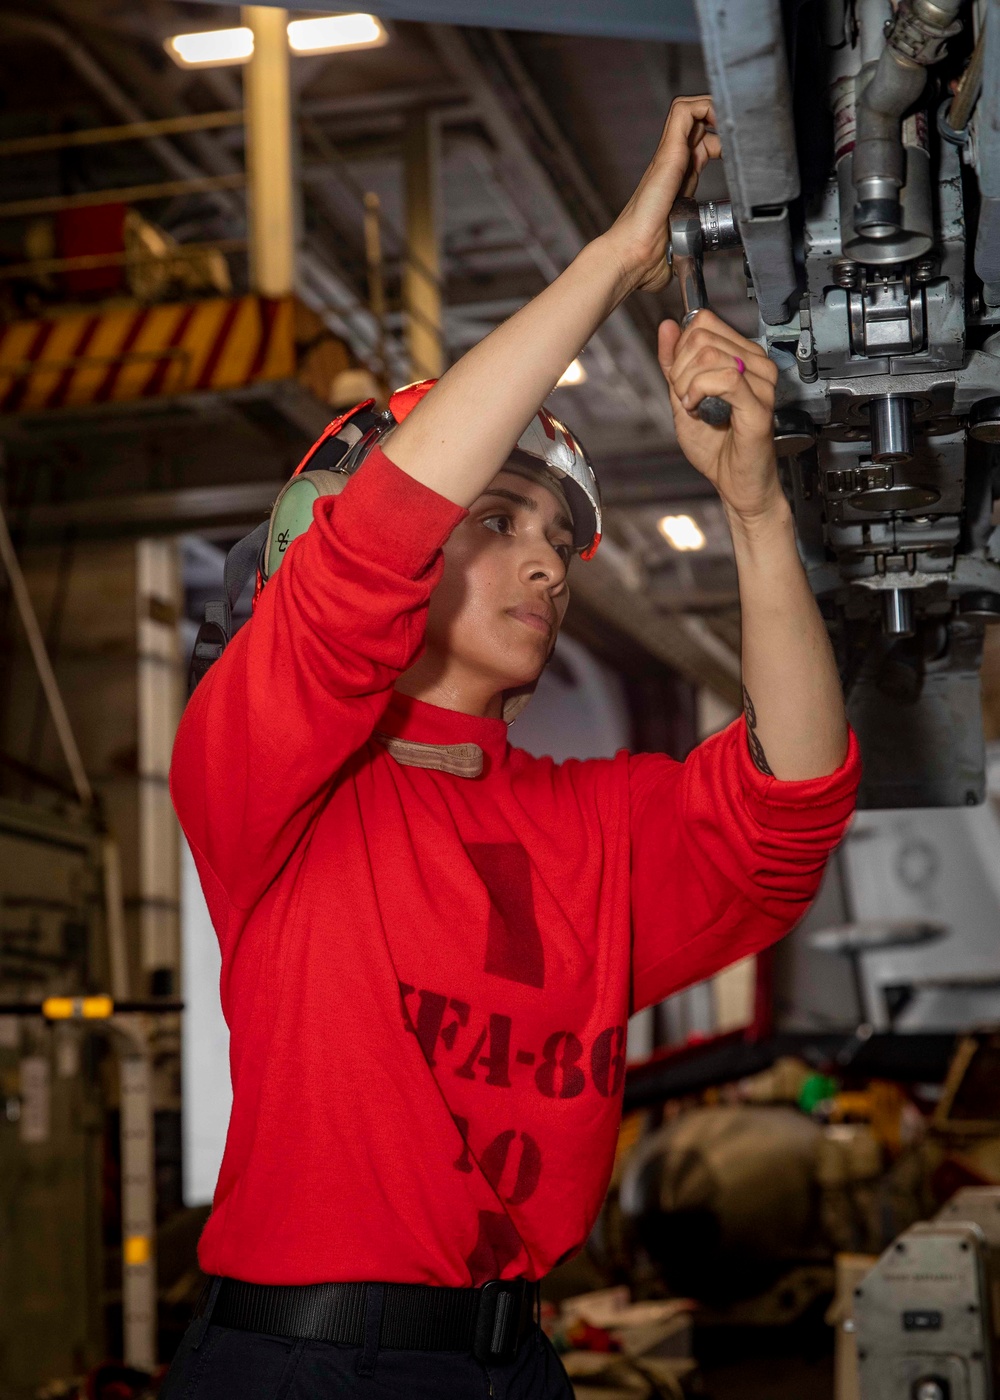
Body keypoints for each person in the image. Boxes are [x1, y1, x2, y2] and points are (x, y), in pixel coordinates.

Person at [165, 96, 860, 1400]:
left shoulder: (588, 820)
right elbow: (370, 546)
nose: (547, 557)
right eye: (500, 518)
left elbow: (793, 808)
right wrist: (610, 262)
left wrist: (759, 511)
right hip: (304, 1370)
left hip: (514, 1360)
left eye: (556, 533)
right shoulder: (266, 779)